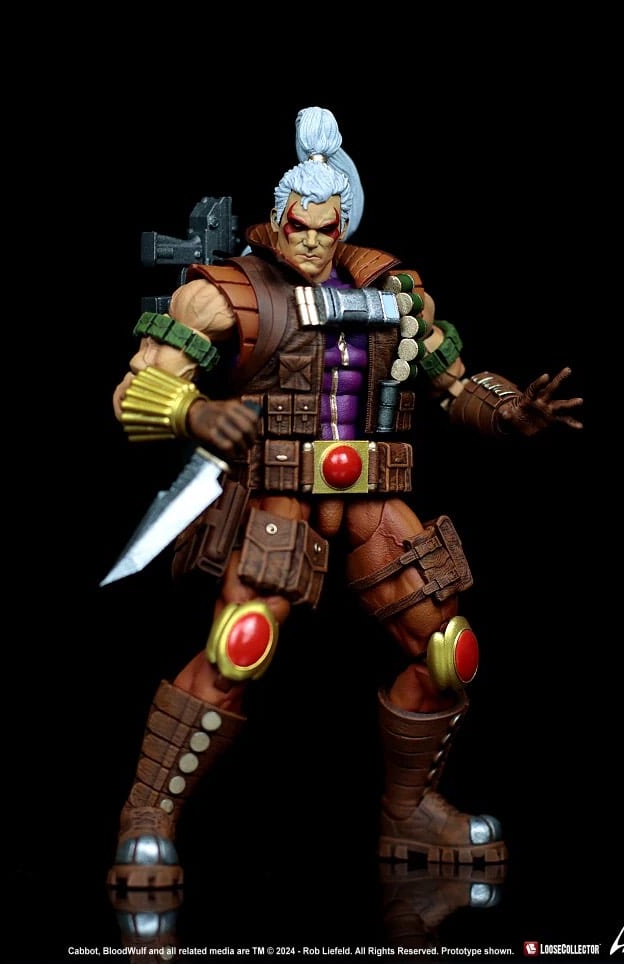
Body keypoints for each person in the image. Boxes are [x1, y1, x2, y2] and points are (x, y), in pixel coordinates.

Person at [106, 106, 583, 890]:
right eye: (297, 226)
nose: (309, 241)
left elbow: (455, 384)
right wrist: (196, 413)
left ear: (343, 223)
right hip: (279, 496)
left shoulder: (394, 291)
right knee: (239, 648)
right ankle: (148, 815)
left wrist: (508, 412)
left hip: (369, 493)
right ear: (278, 219)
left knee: (448, 649)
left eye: (324, 228)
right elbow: (134, 392)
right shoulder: (224, 294)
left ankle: (410, 812)